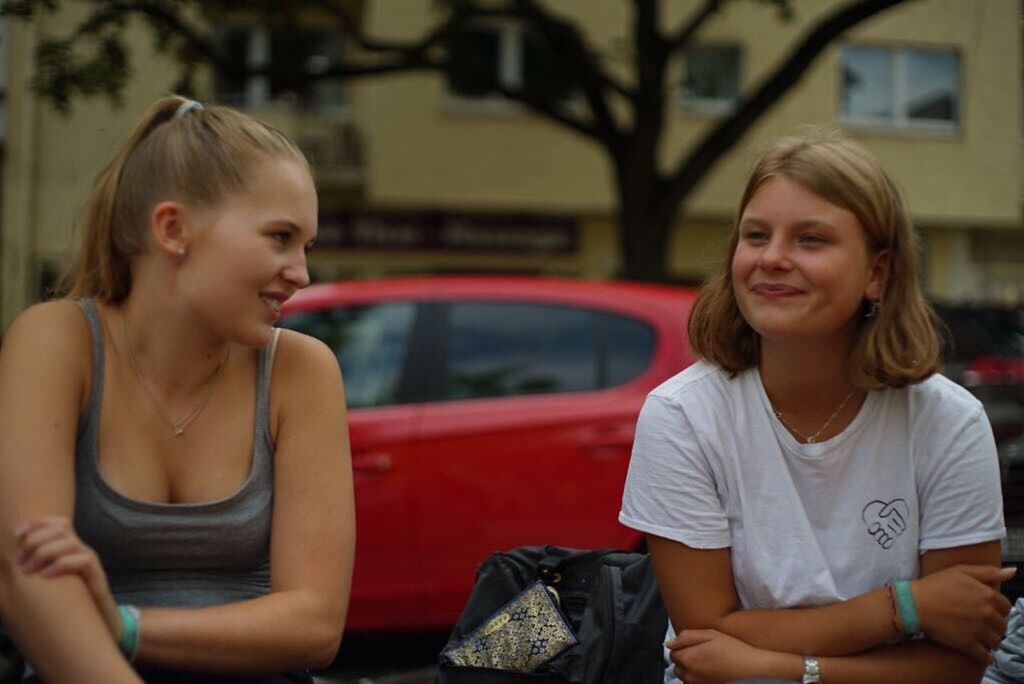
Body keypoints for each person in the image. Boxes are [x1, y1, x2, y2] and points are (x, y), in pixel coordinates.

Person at [619, 131, 1013, 683]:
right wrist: (905, 607)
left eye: (811, 240)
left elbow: (957, 666)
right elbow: (703, 640)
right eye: (756, 235)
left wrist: (779, 666)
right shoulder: (684, 415)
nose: (773, 258)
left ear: (877, 273)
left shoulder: (949, 422)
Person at [0, 96, 355, 683]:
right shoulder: (56, 341)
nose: (301, 272)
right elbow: (28, 576)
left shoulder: (301, 369)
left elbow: (315, 626)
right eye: (280, 237)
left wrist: (126, 627)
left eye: (306, 247)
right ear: (173, 229)